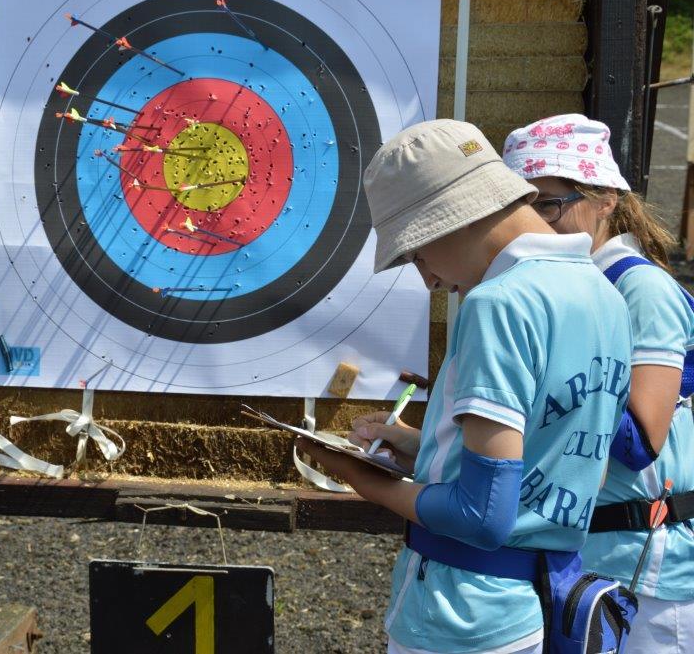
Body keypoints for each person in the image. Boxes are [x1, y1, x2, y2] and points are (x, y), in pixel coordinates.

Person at [296, 119, 633, 653]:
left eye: (416, 252)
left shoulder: (497, 303)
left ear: (451, 218)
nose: (427, 278)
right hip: (536, 605)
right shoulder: (604, 293)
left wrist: (357, 476)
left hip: (458, 615)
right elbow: (555, 459)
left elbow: (481, 517)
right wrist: (421, 448)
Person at [503, 113, 694, 653]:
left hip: (647, 577)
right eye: (521, 207)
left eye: (549, 205)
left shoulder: (642, 289)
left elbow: (640, 441)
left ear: (606, 198)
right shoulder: (570, 285)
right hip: (585, 556)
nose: (534, 224)